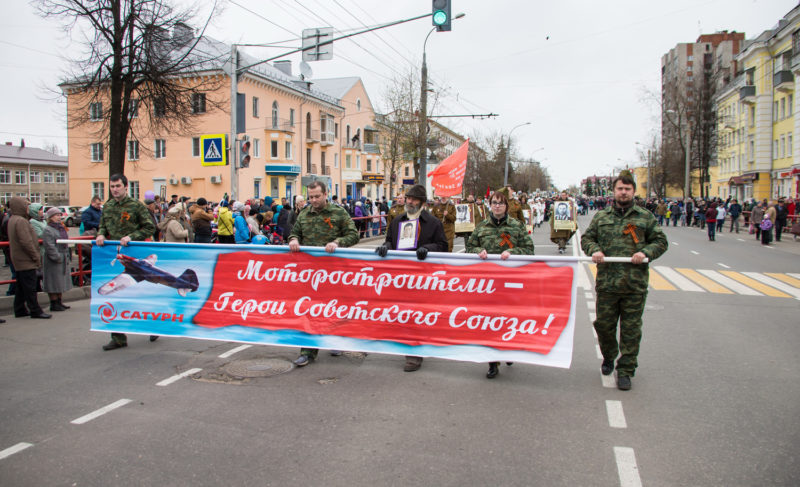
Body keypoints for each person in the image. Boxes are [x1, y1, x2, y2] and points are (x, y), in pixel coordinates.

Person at [580, 170, 668, 391]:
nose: (624, 192)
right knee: (604, 326)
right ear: (614, 191)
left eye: (628, 189)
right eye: (620, 188)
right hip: (608, 283)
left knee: (630, 330)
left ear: (633, 192)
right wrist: (595, 250)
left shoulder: (644, 217)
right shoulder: (602, 216)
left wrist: (645, 252)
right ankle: (609, 356)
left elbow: (660, 241)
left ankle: (626, 369)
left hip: (633, 284)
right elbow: (587, 238)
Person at [375, 184, 447, 372]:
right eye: (408, 198)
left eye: (414, 199)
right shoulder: (398, 220)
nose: (409, 202)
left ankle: (414, 354)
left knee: (416, 315)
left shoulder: (433, 223)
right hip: (401, 275)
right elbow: (389, 240)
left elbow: (442, 245)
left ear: (422, 202)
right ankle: (405, 344)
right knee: (402, 313)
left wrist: (427, 250)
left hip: (422, 277)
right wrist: (386, 247)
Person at [288, 181, 359, 367]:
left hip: (333, 272)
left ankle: (334, 340)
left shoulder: (339, 213)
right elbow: (293, 233)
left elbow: (353, 234)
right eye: (310, 197)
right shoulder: (303, 214)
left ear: (326, 194)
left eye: (317, 196)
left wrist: (337, 242)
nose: (313, 200)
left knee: (332, 308)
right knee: (309, 309)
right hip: (310, 273)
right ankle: (307, 351)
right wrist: (294, 239)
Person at [466, 190, 534, 379]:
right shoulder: (481, 227)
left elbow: (529, 249)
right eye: (494, 203)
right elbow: (470, 247)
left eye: (500, 203)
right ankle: (492, 361)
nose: (497, 206)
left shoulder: (516, 226)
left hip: (511, 282)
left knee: (509, 319)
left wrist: (513, 253)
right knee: (490, 321)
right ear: (490, 205)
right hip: (487, 284)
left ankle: (508, 350)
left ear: (506, 206)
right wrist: (479, 251)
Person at [96, 173, 157, 350]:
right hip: (115, 255)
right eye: (112, 186)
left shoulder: (136, 206)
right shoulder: (107, 207)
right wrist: (100, 234)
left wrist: (132, 236)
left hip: (136, 254)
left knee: (141, 294)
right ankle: (118, 338)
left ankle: (154, 326)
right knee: (115, 295)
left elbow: (149, 227)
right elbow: (103, 225)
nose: (114, 189)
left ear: (125, 186)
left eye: (117, 186)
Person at [7, 196, 48, 320]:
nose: (28, 208)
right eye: (26, 206)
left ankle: (19, 309)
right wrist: (35, 256)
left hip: (18, 258)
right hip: (25, 259)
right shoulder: (21, 221)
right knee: (30, 286)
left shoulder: (13, 219)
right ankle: (35, 310)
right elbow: (26, 241)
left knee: (21, 285)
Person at [41, 207, 72, 311]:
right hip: (53, 259)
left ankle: (59, 301)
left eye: (59, 215)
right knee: (53, 281)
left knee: (60, 281)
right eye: (56, 215)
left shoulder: (61, 227)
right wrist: (57, 257)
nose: (59, 217)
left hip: (62, 255)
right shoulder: (48, 229)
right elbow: (49, 245)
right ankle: (54, 303)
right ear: (50, 217)